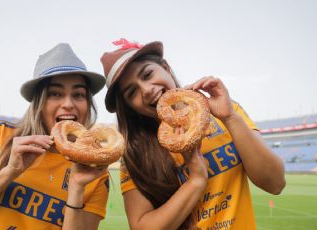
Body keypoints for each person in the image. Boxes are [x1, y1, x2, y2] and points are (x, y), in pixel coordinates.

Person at [100, 39, 286, 229]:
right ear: (130, 107)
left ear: (166, 68)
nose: (146, 90)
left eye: (148, 74)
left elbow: (275, 183)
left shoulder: (225, 112)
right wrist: (195, 182)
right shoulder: (135, 154)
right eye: (132, 92)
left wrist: (230, 117)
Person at [0, 43, 110, 230]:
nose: (68, 103)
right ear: (39, 103)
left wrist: (76, 188)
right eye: (55, 94)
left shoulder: (93, 171)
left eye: (78, 94)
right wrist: (10, 172)